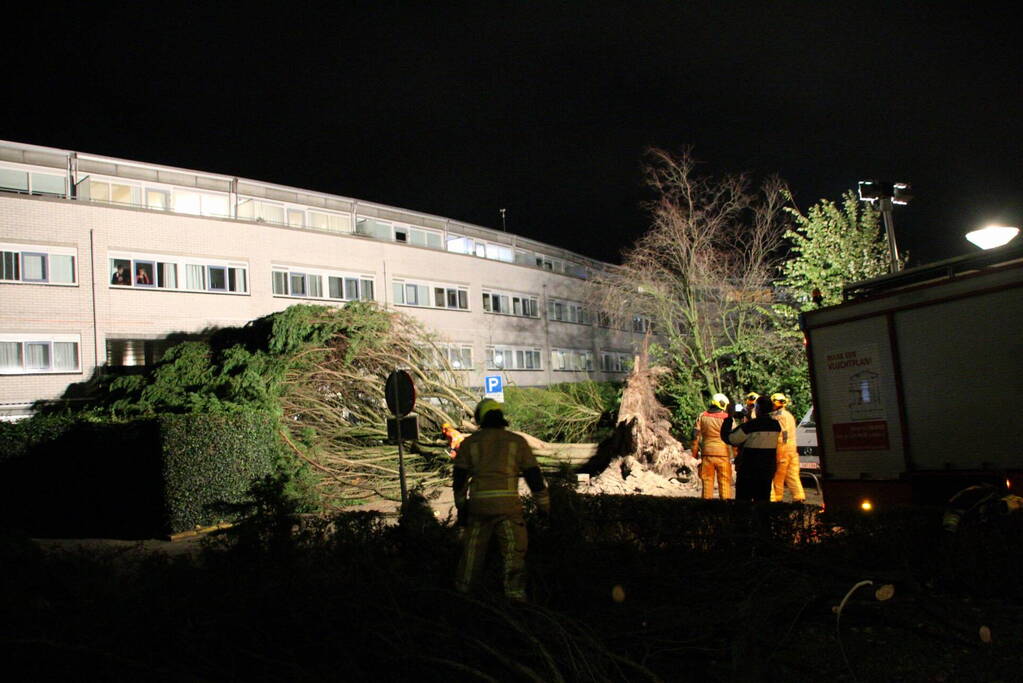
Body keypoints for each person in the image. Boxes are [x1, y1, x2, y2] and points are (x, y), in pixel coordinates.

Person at [453, 398, 550, 601]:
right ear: (501, 418)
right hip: (508, 509)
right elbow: (534, 478)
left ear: (480, 419)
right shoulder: (517, 442)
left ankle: (463, 595)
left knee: (471, 554)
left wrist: (463, 510)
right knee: (514, 553)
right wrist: (544, 508)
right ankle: (515, 597)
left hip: (479, 509)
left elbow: (459, 480)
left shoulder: (470, 443)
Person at [727, 395, 781, 501]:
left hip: (749, 470)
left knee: (744, 502)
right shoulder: (776, 425)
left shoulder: (751, 425)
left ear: (758, 409)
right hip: (767, 469)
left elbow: (733, 439)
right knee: (762, 501)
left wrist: (729, 419)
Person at [693, 393, 733, 499]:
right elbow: (734, 438)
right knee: (724, 483)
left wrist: (694, 454)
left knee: (707, 483)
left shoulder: (702, 416)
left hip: (707, 455)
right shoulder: (728, 418)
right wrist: (735, 456)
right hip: (723, 455)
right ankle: (725, 509)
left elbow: (695, 437)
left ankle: (706, 510)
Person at [769, 393, 805, 503]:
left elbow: (782, 435)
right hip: (792, 450)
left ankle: (776, 499)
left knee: (777, 476)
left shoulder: (778, 416)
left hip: (782, 449)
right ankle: (799, 497)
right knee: (792, 475)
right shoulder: (789, 415)